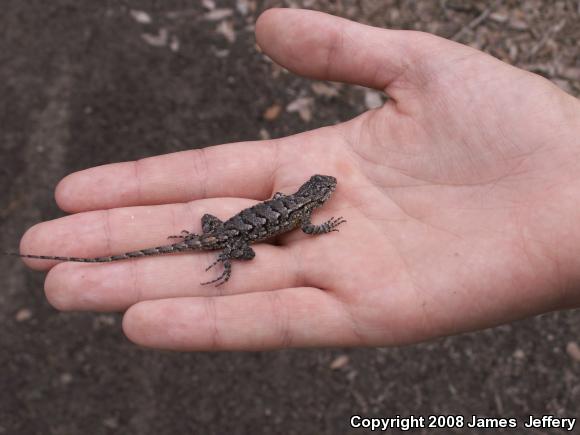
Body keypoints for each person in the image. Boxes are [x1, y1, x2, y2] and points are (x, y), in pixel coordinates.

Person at [19, 8, 580, 351]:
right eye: (323, 195)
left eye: (322, 195)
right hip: (234, 234)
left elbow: (282, 215)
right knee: (246, 256)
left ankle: (200, 245)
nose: (323, 197)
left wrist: (223, 233)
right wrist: (307, 228)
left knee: (213, 235)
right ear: (312, 198)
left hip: (230, 224)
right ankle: (208, 253)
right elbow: (302, 231)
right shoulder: (300, 213)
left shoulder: (289, 203)